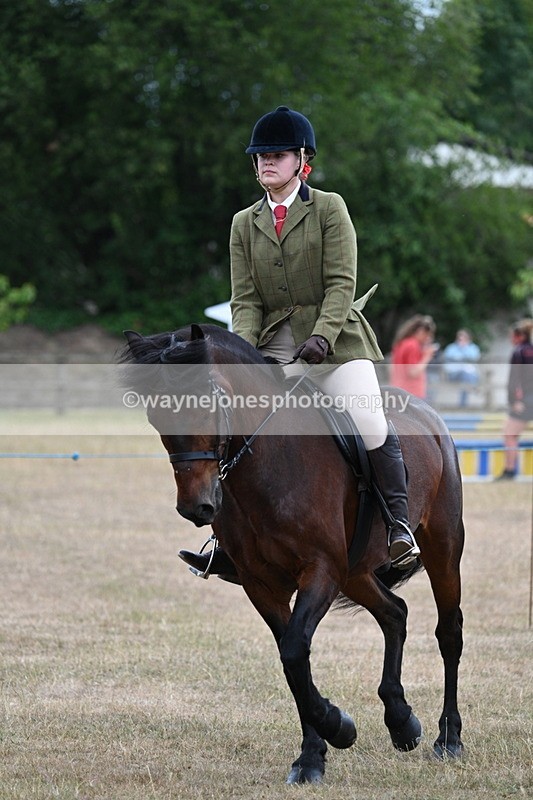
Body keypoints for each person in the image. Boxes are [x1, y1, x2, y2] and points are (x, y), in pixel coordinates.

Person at [180, 105, 420, 578]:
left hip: (335, 342)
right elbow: (245, 300)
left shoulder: (329, 207)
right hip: (270, 345)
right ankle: (228, 541)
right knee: (231, 424)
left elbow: (341, 283)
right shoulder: (242, 223)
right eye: (261, 156)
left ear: (301, 160)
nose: (267, 162)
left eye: (278, 154)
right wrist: (242, 358)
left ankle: (399, 526)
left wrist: (321, 337)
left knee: (369, 421)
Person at [495, 318, 533, 480]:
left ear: (519, 336)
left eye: (512, 336)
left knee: (510, 434)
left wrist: (514, 401)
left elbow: (514, 380)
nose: (511, 339)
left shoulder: (519, 352)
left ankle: (509, 471)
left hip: (525, 401)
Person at [390, 315, 439, 399]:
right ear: (421, 331)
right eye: (428, 335)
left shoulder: (403, 343)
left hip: (400, 390)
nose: (428, 338)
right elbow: (413, 372)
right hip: (411, 393)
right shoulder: (412, 345)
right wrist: (427, 356)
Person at [443, 329, 481, 408]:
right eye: (460, 338)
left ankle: (462, 404)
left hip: (468, 375)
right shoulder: (451, 348)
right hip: (453, 375)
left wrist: (464, 349)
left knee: (465, 376)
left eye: (464, 338)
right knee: (464, 373)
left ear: (468, 339)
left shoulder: (473, 348)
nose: (461, 340)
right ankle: (474, 387)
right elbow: (448, 358)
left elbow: (474, 357)